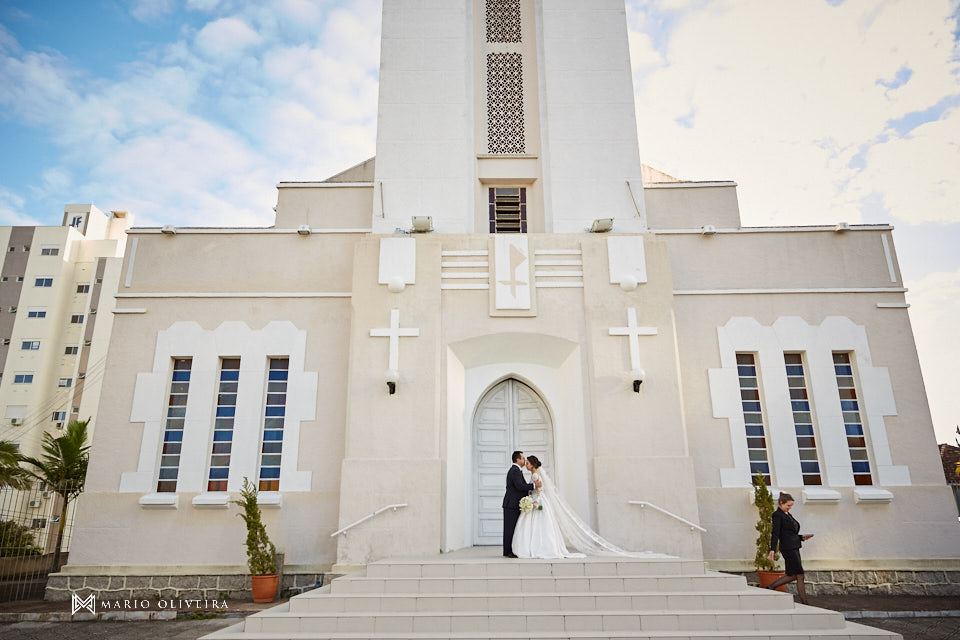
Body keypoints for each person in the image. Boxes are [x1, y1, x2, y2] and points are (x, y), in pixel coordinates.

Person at [506, 455, 670, 559]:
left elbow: (539, 488)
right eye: (524, 461)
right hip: (536, 500)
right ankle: (538, 547)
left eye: (528, 462)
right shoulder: (532, 474)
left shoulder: (535, 475)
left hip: (538, 501)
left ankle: (537, 548)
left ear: (532, 464)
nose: (526, 463)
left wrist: (534, 500)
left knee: (539, 526)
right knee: (539, 527)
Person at [766, 492, 814, 604]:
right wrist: (772, 549)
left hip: (794, 546)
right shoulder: (777, 515)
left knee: (792, 575)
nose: (790, 507)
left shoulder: (787, 514)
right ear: (781, 503)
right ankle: (805, 603)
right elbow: (775, 533)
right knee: (800, 574)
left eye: (791, 506)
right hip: (788, 548)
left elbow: (790, 533)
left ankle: (770, 587)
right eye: (788, 505)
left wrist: (801, 537)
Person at [501, 450, 540, 558]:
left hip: (513, 504)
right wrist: (533, 486)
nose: (524, 460)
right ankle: (508, 552)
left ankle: (509, 550)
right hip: (511, 504)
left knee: (512, 528)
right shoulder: (515, 471)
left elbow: (519, 486)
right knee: (510, 528)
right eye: (523, 458)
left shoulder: (516, 470)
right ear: (518, 459)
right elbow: (519, 486)